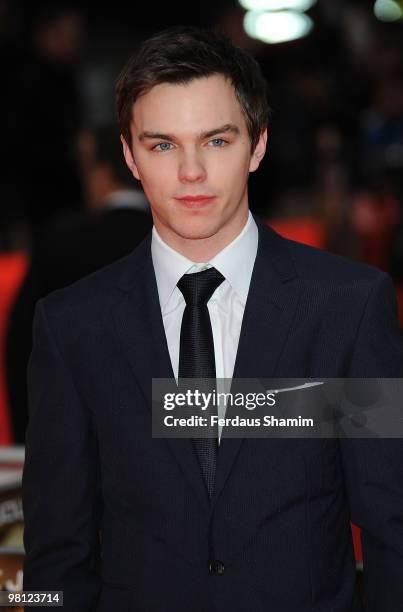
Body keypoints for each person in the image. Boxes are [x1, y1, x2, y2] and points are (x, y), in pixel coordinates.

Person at [22, 27, 403, 612]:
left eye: (217, 141)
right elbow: (54, 555)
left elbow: (392, 526)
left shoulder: (348, 308)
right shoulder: (73, 326)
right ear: (128, 154)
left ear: (258, 145)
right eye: (163, 145)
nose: (192, 172)